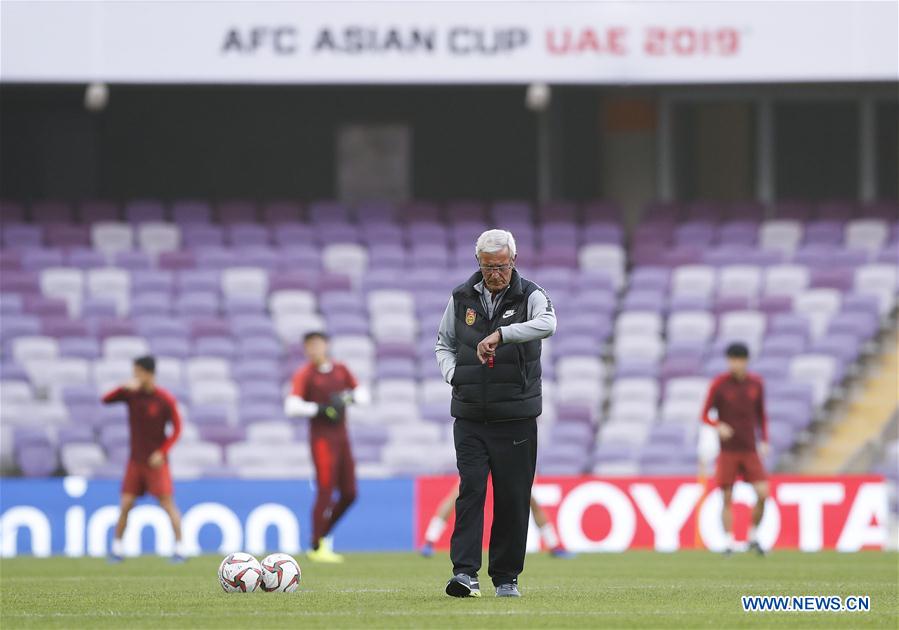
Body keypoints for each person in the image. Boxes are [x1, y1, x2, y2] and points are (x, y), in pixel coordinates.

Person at [435, 229, 556, 598]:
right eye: (488, 267)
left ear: (513, 261)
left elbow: (548, 324)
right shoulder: (460, 298)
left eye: (501, 266)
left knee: (512, 497)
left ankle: (506, 577)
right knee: (470, 492)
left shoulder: (531, 294)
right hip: (470, 414)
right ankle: (464, 574)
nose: (495, 274)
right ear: (479, 264)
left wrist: (502, 334)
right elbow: (444, 343)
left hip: (516, 415)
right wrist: (454, 375)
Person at [284, 331, 369, 563]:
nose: (314, 350)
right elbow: (291, 406)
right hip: (322, 440)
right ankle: (317, 544)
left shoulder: (341, 369)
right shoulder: (306, 374)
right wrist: (320, 409)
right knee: (325, 489)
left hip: (342, 438)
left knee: (350, 493)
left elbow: (363, 395)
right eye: (309, 346)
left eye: (317, 344)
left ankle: (321, 536)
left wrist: (345, 400)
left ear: (326, 345)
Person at [101, 355, 184, 563]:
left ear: (148, 373)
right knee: (126, 504)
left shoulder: (164, 399)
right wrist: (123, 388)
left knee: (167, 504)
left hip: (156, 463)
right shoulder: (131, 394)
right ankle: (117, 549)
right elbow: (105, 400)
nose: (134, 376)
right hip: (135, 461)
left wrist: (162, 452)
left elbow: (177, 429)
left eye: (137, 372)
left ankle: (180, 549)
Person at [700, 342, 770, 556]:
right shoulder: (719, 385)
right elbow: (704, 415)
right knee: (727, 496)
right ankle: (729, 542)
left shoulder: (756, 384)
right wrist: (717, 425)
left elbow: (761, 415)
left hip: (749, 449)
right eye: (732, 360)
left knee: (763, 493)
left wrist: (764, 439)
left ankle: (753, 536)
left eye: (739, 360)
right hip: (728, 451)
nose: (736, 364)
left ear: (746, 361)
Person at [420, 483, 574, 559]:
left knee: (530, 499)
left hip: (504, 454)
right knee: (458, 494)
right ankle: (429, 541)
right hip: (487, 452)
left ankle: (554, 546)